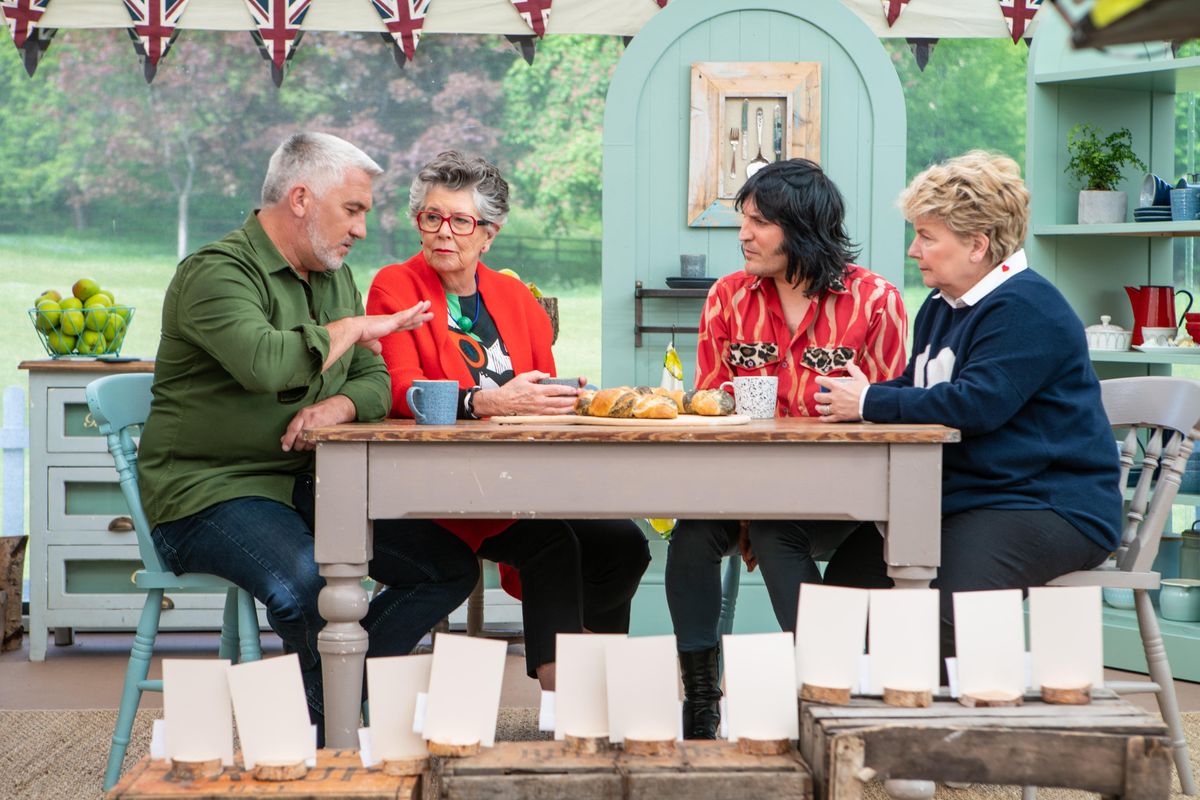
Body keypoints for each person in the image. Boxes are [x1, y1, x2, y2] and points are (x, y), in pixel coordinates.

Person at [139, 132, 480, 734]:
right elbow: (266, 364)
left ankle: (320, 705)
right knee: (312, 585)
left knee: (447, 566)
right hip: (208, 490)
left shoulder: (330, 276)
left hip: (310, 482)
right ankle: (333, 739)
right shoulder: (214, 274)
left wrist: (341, 407)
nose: (362, 229)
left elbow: (376, 378)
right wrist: (350, 328)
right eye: (353, 210)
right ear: (300, 198)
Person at [815, 150, 1120, 663]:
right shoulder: (941, 306)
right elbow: (922, 386)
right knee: (847, 587)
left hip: (1048, 504)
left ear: (978, 245)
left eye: (927, 237)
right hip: (968, 500)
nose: (914, 251)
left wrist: (870, 399)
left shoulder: (1026, 307)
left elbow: (976, 404)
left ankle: (955, 730)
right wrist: (865, 395)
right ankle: (865, 720)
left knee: (942, 609)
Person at [367, 151, 650, 690]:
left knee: (624, 545)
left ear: (489, 234)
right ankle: (560, 691)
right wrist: (483, 402)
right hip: (439, 483)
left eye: (460, 221)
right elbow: (400, 390)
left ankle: (593, 684)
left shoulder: (517, 298)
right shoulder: (394, 286)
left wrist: (565, 401)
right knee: (553, 545)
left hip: (522, 480)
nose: (442, 232)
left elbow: (538, 394)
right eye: (431, 217)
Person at [667, 158, 908, 739]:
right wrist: (747, 498)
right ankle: (701, 702)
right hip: (741, 487)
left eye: (758, 222)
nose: (743, 235)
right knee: (693, 536)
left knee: (777, 529)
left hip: (844, 502)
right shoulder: (728, 298)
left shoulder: (876, 301)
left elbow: (894, 424)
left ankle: (824, 691)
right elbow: (708, 407)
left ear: (802, 227)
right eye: (742, 221)